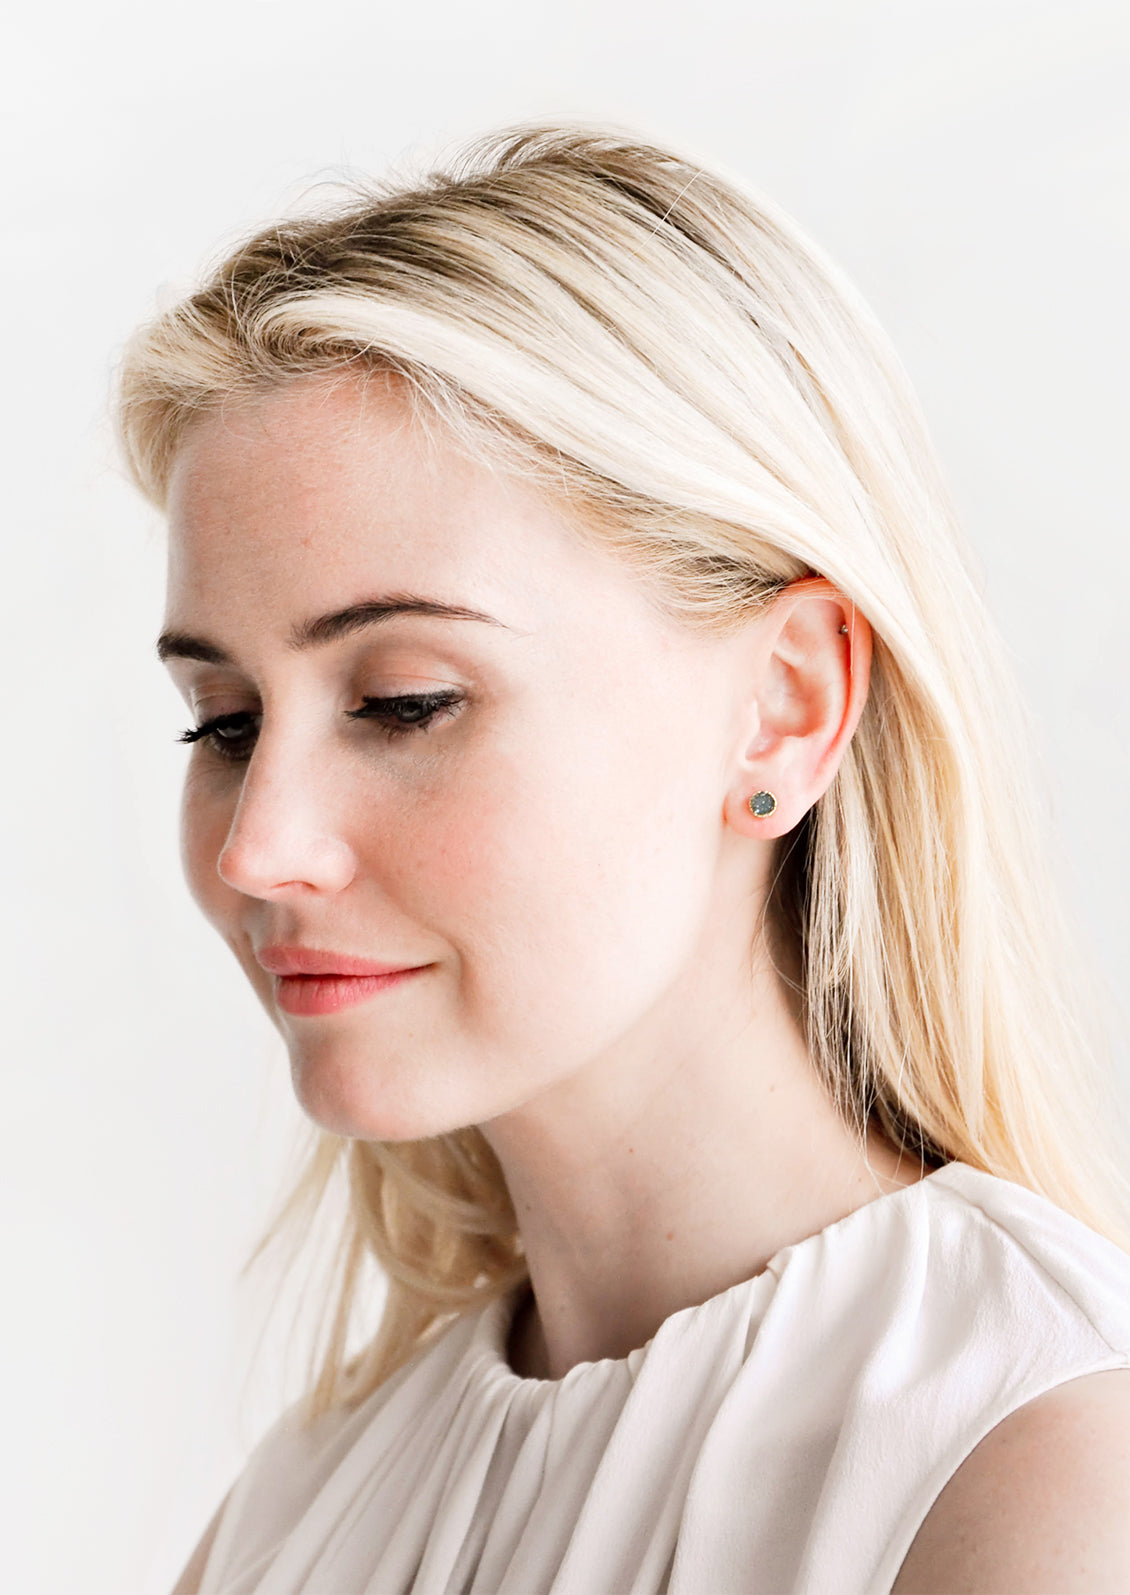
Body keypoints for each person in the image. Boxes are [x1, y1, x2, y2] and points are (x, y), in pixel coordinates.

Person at [116, 123, 1130, 1594]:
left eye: (406, 703)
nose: (261, 847)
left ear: (784, 707)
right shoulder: (303, 1504)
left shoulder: (1037, 1468)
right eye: (219, 723)